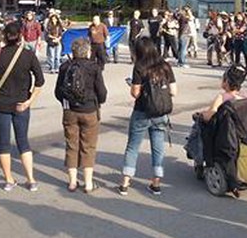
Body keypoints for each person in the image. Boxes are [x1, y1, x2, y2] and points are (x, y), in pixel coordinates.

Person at [0, 22, 45, 192]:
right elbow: (40, 81)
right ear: (21, 36)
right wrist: (29, 101)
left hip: (1, 104)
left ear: (4, 36)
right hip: (21, 103)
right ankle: (31, 180)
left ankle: (9, 180)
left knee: (4, 143)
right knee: (23, 141)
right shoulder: (28, 55)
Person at [118, 36, 177, 196]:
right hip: (161, 112)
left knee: (133, 146)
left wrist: (133, 85)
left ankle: (125, 182)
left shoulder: (140, 66)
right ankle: (156, 182)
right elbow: (174, 91)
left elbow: (135, 93)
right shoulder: (165, 66)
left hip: (142, 111)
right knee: (158, 147)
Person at [55, 39, 107, 193]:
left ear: (73, 51)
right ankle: (88, 183)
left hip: (70, 111)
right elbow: (102, 92)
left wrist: (67, 101)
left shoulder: (65, 67)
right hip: (90, 110)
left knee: (72, 145)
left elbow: (58, 91)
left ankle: (72, 182)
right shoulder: (94, 67)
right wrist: (99, 102)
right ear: (88, 51)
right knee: (88, 146)